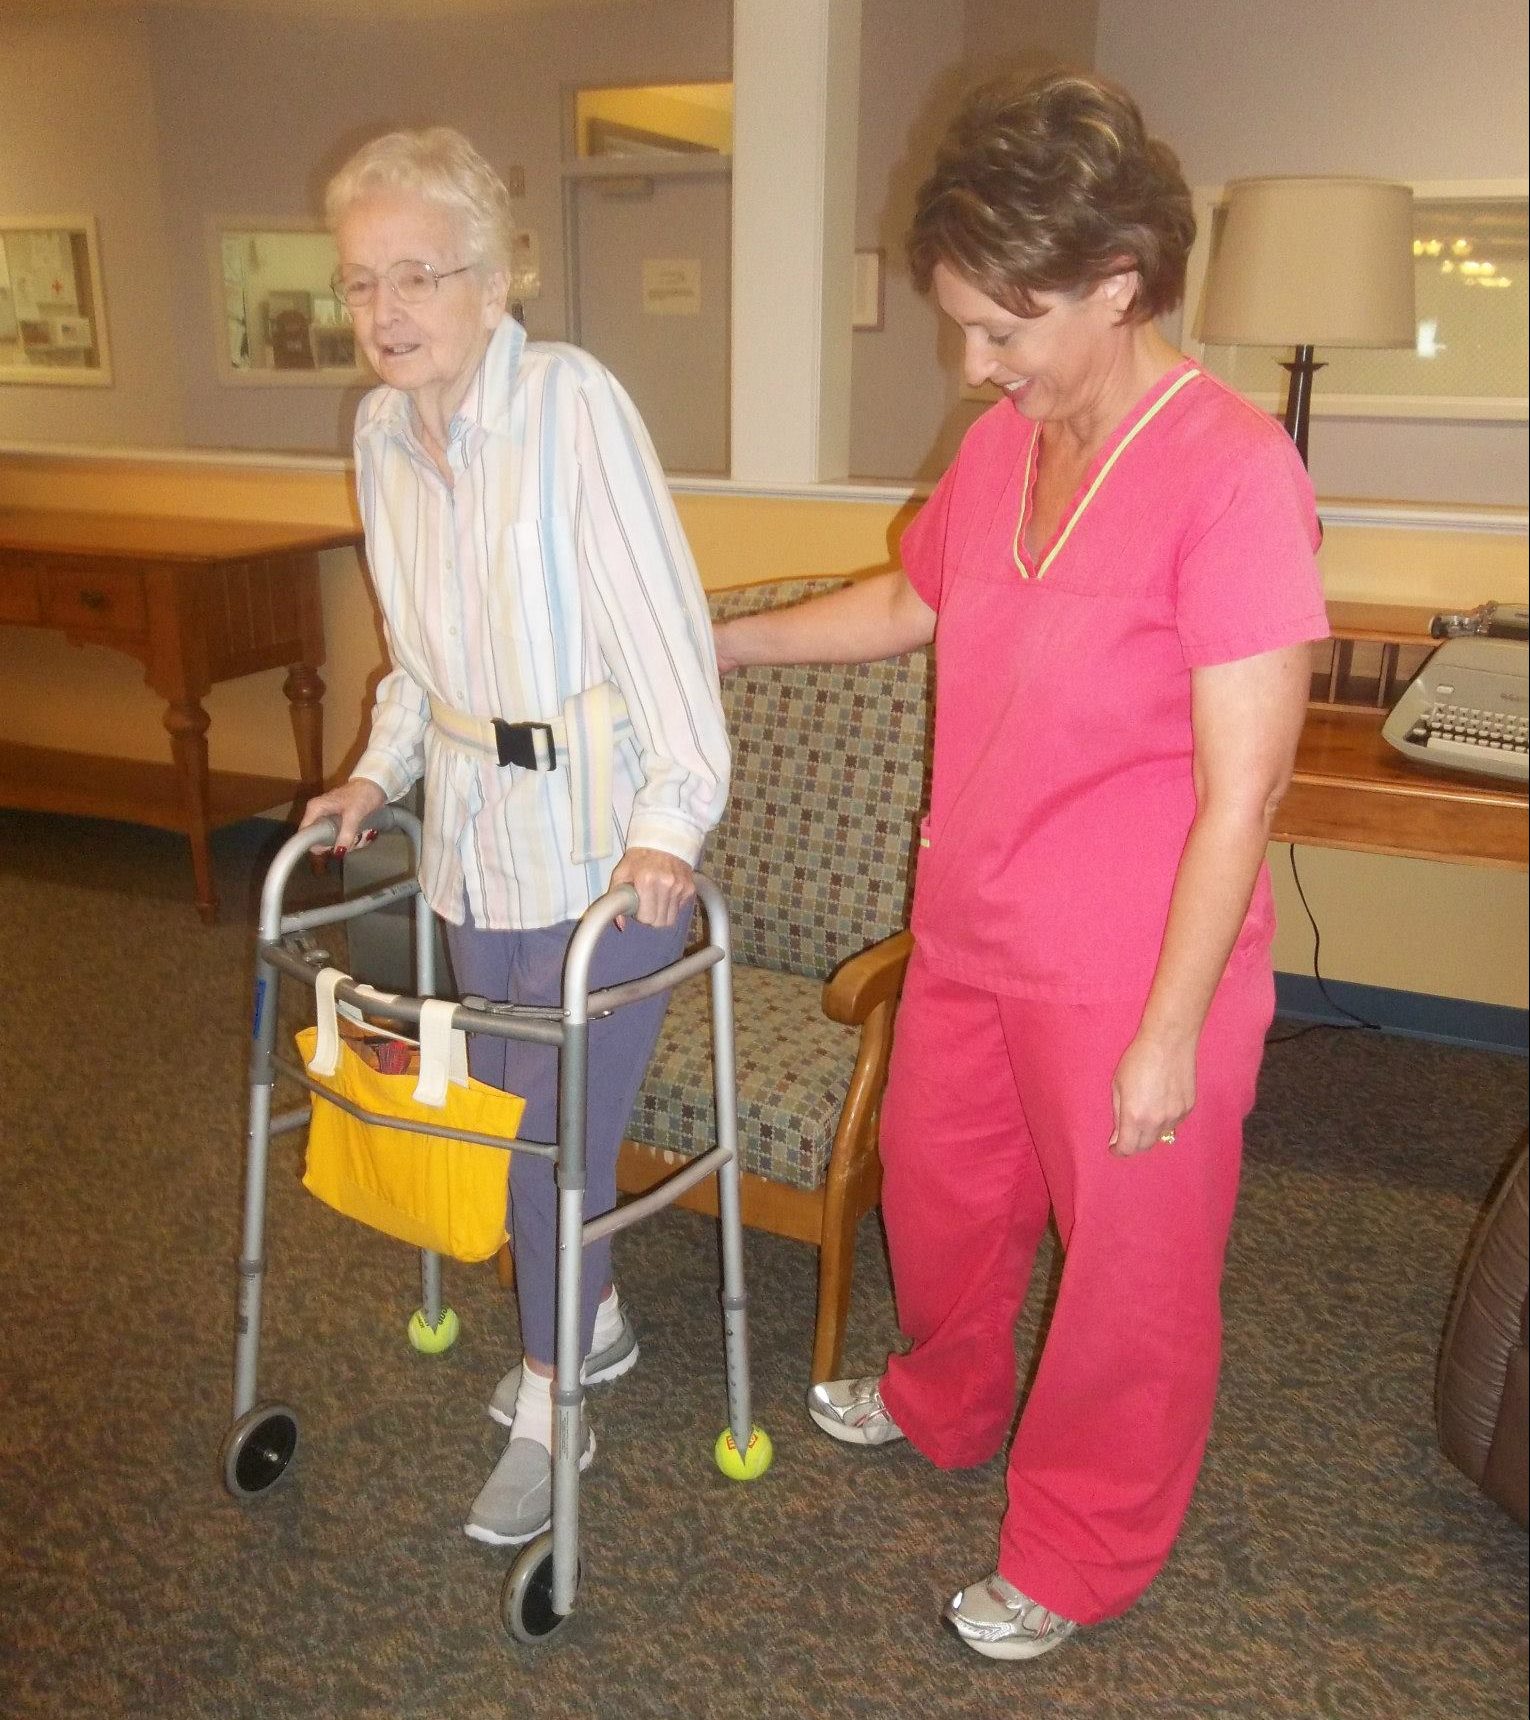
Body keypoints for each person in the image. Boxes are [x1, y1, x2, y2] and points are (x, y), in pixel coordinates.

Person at [714, 72, 1329, 1663]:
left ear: (1114, 287)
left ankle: (1082, 1544)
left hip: (1135, 957)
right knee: (942, 1195)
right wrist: (717, 644)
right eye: (964, 328)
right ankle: (941, 1401)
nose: (973, 365)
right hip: (968, 923)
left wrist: (1168, 1031)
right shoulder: (1005, 445)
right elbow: (909, 602)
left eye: (1001, 330)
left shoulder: (1234, 474)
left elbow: (1242, 786)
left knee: (1130, 1278)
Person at [301, 127, 728, 1550]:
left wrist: (669, 827)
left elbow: (666, 639)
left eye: (417, 276)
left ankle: (558, 1403)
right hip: (479, 848)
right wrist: (376, 774)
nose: (386, 312)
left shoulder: (569, 405)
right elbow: (416, 658)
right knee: (504, 1121)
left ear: (497, 280)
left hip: (610, 852)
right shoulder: (378, 434)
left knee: (547, 1146)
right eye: (362, 283)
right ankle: (589, 1320)